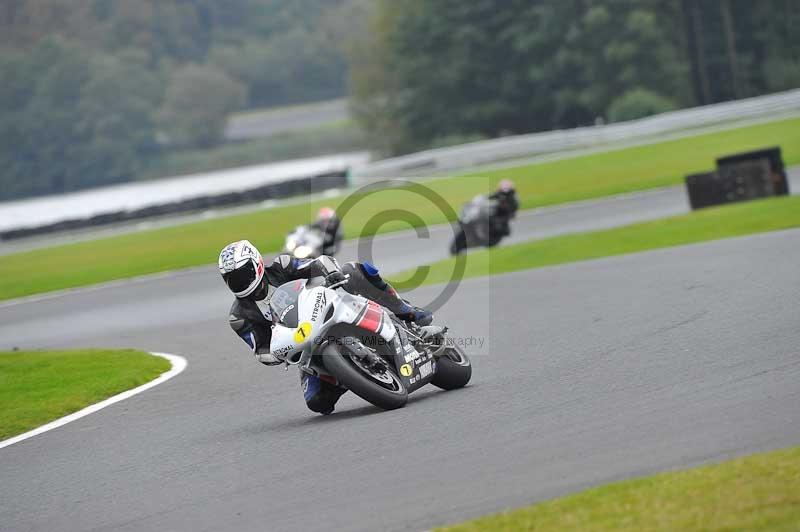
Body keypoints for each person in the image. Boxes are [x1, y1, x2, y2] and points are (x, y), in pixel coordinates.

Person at [219, 239, 432, 415]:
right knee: (317, 402)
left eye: (243, 274)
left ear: (256, 264)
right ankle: (351, 374)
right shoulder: (239, 316)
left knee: (354, 270)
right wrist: (276, 354)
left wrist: (332, 272)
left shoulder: (281, 266)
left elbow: (318, 262)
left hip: (327, 305)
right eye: (232, 279)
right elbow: (260, 350)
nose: (239, 282)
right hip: (306, 347)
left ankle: (407, 311)